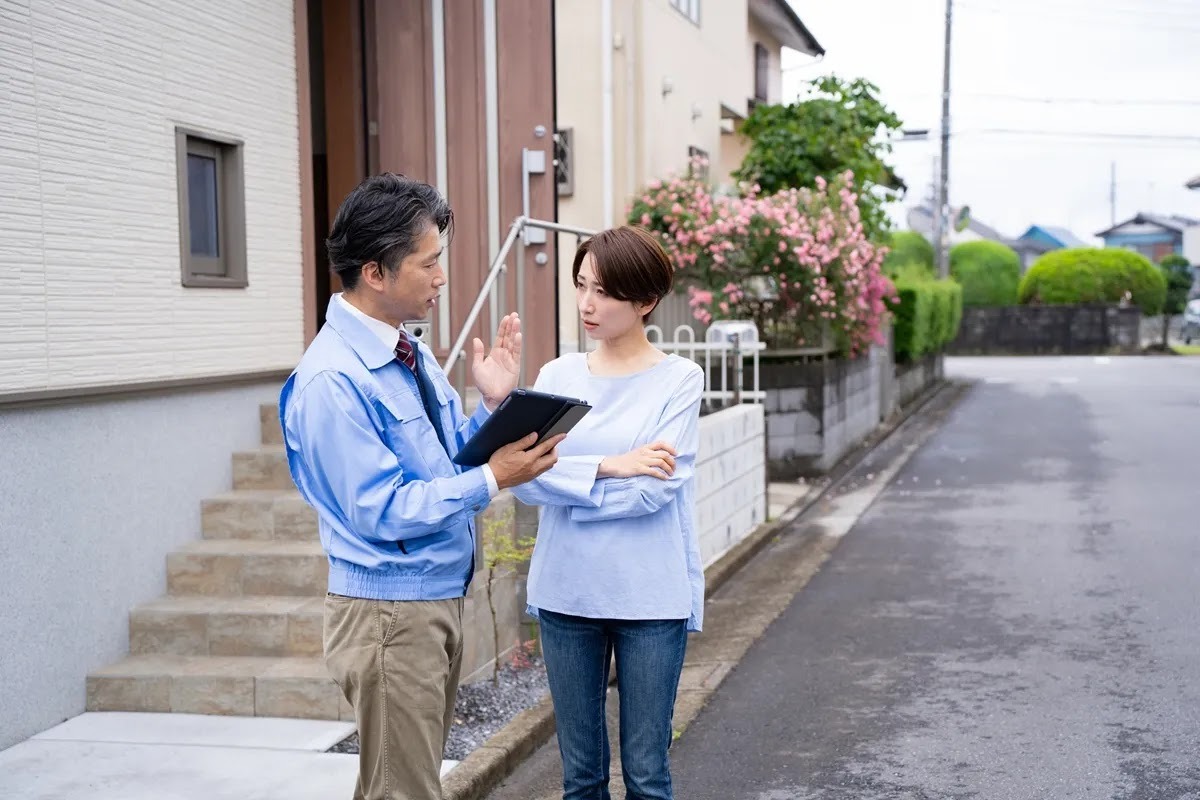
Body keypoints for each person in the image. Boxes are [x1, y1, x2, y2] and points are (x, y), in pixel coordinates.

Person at [279, 173, 563, 800]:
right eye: (428, 263)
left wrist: (493, 407)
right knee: (404, 791)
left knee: (398, 785)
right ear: (375, 272)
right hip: (390, 615)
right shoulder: (332, 381)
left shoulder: (407, 350)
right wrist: (494, 479)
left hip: (426, 601)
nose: (441, 278)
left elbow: (443, 462)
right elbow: (381, 509)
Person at [511, 226, 705, 800]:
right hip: (566, 594)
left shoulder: (679, 379)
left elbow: (654, 493)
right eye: (581, 285)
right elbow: (523, 485)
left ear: (645, 301)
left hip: (649, 597)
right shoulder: (557, 377)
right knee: (581, 778)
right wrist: (612, 466)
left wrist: (564, 478)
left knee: (647, 776)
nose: (586, 304)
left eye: (604, 291)